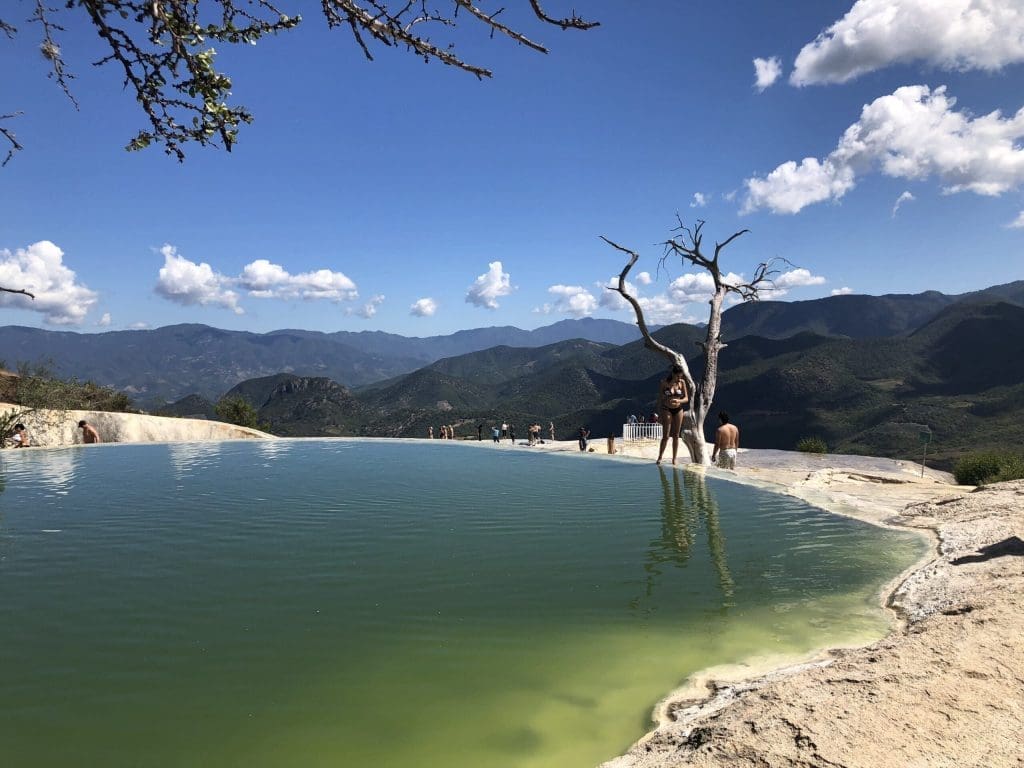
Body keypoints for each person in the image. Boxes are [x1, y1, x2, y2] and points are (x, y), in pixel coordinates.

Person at [656, 364, 689, 465]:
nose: (680, 378)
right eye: (678, 376)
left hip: (678, 409)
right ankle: (660, 456)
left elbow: (686, 398)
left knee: (676, 435)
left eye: (681, 376)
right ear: (673, 374)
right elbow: (660, 399)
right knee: (666, 435)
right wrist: (659, 414)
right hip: (666, 409)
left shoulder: (682, 383)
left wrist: (678, 400)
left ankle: (674, 458)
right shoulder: (664, 383)